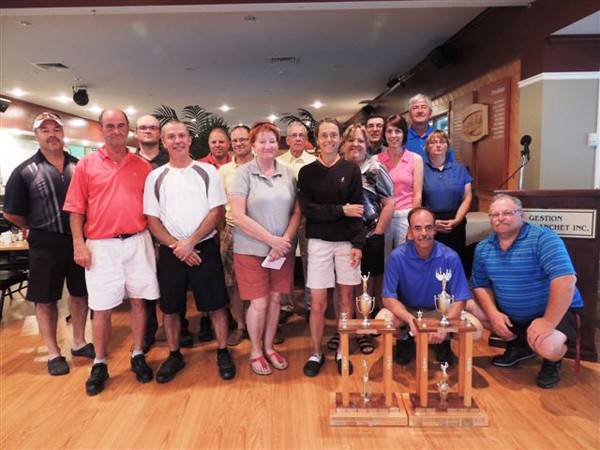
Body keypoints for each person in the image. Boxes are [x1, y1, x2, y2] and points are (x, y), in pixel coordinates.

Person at [64, 108, 160, 396]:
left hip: (138, 241)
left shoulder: (143, 166)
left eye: (120, 125)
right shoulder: (86, 164)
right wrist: (78, 244)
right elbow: (75, 209)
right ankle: (100, 362)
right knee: (102, 307)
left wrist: (156, 244)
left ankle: (138, 353)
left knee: (140, 302)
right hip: (101, 245)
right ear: (101, 129)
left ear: (128, 129)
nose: (116, 130)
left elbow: (152, 210)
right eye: (110, 125)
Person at [143, 120, 236, 382]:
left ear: (190, 139)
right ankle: (174, 354)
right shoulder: (155, 177)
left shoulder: (207, 172)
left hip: (203, 248)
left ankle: (222, 350)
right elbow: (152, 220)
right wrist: (178, 246)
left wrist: (191, 242)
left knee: (217, 305)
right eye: (171, 137)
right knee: (170, 308)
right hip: (171, 252)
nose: (177, 141)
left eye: (181, 135)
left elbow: (216, 211)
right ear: (164, 142)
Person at [3, 111, 93, 376]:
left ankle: (79, 342)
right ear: (36, 135)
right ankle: (54, 352)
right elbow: (11, 213)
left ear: (63, 133)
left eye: (56, 129)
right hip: (45, 242)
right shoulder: (24, 171)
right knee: (46, 299)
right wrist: (34, 225)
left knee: (80, 293)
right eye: (45, 130)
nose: (52, 134)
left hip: (79, 240)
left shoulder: (79, 166)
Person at [471, 194, 584, 389]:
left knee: (547, 346)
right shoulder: (483, 248)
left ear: (521, 215)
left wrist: (548, 322)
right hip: (513, 315)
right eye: (495, 214)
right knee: (467, 305)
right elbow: (480, 285)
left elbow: (566, 280)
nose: (500, 218)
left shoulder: (543, 238)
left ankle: (552, 361)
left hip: (555, 313)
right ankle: (520, 346)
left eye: (507, 213)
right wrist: (493, 314)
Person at [230, 121, 301, 375]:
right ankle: (255, 351)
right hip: (251, 250)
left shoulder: (288, 173)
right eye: (262, 141)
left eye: (272, 141)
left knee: (275, 300)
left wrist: (284, 240)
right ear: (253, 145)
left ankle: (269, 347)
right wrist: (272, 240)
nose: (268, 146)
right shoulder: (243, 174)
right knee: (259, 303)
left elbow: (296, 212)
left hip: (281, 251)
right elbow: (238, 216)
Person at [297, 118, 365, 377]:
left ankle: (342, 352)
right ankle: (316, 352)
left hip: (347, 243)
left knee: (346, 299)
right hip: (318, 243)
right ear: (317, 139)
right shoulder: (307, 172)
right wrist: (341, 210)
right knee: (317, 304)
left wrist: (358, 243)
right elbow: (309, 210)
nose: (329, 139)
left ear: (340, 139)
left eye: (333, 135)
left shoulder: (351, 169)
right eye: (324, 135)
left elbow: (357, 210)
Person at [379, 207, 482, 366]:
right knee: (382, 321)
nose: (424, 233)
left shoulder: (450, 256)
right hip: (408, 311)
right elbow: (388, 297)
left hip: (440, 311)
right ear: (410, 232)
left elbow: (460, 299)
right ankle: (404, 339)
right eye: (417, 228)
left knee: (476, 329)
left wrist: (444, 325)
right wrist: (411, 320)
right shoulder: (397, 257)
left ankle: (444, 340)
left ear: (435, 230)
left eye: (428, 227)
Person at [134, 115, 194, 351]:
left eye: (152, 128)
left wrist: (169, 242)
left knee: (174, 286)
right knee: (144, 285)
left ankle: (182, 329)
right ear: (136, 132)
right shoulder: (130, 161)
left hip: (171, 236)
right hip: (139, 234)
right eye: (143, 127)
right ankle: (147, 333)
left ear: (161, 135)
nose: (148, 131)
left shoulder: (171, 157)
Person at [340, 123, 394, 354]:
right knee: (344, 286)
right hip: (342, 237)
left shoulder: (376, 169)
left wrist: (378, 233)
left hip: (370, 234)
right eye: (351, 140)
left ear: (367, 144)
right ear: (343, 143)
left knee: (366, 285)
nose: (356, 144)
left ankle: (364, 328)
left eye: (360, 140)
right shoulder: (338, 167)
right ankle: (345, 328)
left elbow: (389, 203)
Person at [277, 121, 317, 322]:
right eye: (294, 135)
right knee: (285, 262)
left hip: (309, 217)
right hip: (285, 217)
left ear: (306, 139)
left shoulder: (314, 162)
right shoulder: (278, 162)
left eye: (302, 135)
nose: (298, 139)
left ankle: (310, 304)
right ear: (287, 139)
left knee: (310, 262)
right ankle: (286, 305)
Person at [197, 127, 234, 341]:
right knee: (207, 278)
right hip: (208, 231)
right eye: (214, 142)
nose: (218, 145)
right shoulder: (200, 166)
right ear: (209, 144)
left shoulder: (237, 165)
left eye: (221, 141)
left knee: (229, 276)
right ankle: (205, 318)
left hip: (230, 228)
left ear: (228, 143)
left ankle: (230, 314)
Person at [219, 125, 253, 346]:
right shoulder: (224, 171)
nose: (239, 143)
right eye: (235, 140)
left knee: (262, 281)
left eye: (243, 139)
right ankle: (241, 325)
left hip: (261, 232)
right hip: (233, 230)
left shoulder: (264, 164)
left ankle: (264, 323)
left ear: (252, 140)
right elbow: (220, 205)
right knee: (234, 283)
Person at [422, 130, 472, 266]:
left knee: (455, 262)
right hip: (429, 222)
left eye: (442, 142)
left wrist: (456, 221)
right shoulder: (421, 169)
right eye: (433, 142)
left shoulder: (460, 169)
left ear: (447, 146)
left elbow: (467, 198)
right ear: (427, 147)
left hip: (456, 221)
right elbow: (418, 199)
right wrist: (432, 222)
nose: (438, 145)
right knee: (431, 262)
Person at [376, 114, 423, 257]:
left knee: (405, 257)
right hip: (383, 216)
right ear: (384, 134)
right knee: (383, 259)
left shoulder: (415, 159)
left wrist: (413, 223)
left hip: (405, 216)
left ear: (404, 134)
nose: (393, 135)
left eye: (397, 131)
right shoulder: (376, 160)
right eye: (389, 131)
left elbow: (417, 195)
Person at [405, 93, 455, 162]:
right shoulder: (402, 138)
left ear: (430, 112)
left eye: (424, 107)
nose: (420, 111)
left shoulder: (442, 138)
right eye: (415, 107)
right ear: (409, 114)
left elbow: (450, 164)